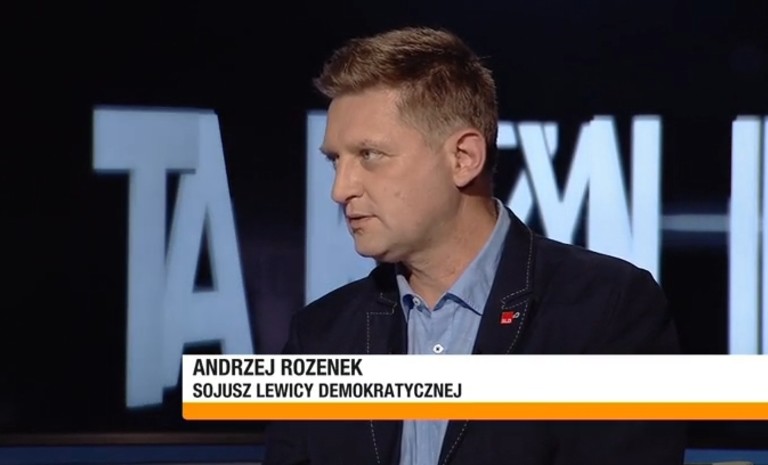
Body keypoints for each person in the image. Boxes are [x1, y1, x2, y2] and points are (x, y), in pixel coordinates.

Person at [264, 26, 686, 465]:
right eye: (336, 160)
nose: (340, 189)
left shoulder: (606, 310)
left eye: (369, 155)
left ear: (463, 158)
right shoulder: (321, 336)